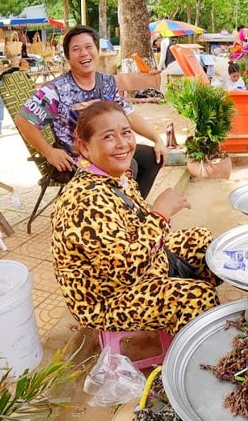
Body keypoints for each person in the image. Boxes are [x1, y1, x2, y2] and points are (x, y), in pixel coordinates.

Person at [51, 100, 221, 335]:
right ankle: (197, 333)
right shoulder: (84, 202)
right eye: (109, 137)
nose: (123, 144)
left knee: (202, 241)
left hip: (139, 262)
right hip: (107, 297)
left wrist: (157, 219)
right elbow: (126, 272)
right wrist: (160, 215)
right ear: (85, 147)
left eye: (126, 132)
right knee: (197, 297)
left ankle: (199, 321)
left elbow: (136, 230)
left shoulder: (115, 176)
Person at [14, 25, 167, 199]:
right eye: (76, 49)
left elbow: (129, 114)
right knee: (127, 164)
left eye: (88, 47)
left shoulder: (107, 83)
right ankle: (117, 208)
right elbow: (23, 120)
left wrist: (157, 139)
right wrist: (49, 152)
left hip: (107, 148)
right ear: (68, 57)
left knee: (153, 157)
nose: (84, 53)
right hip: (77, 159)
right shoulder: (55, 90)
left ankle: (131, 207)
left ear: (97, 51)